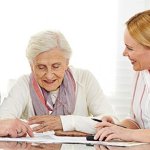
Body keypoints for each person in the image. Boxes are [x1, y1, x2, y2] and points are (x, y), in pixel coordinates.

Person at [0, 30, 115, 135]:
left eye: (56, 66)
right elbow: (3, 122)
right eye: (41, 67)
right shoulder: (24, 83)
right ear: (31, 66)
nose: (49, 75)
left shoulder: (84, 79)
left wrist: (65, 122)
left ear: (66, 63)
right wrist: (84, 126)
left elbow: (111, 123)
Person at [94, 10, 150, 143]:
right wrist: (116, 127)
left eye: (130, 48)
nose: (124, 53)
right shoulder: (140, 72)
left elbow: (133, 133)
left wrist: (128, 134)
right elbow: (138, 122)